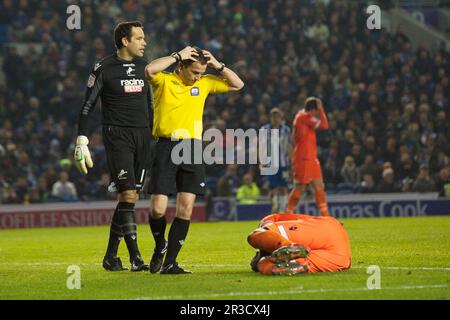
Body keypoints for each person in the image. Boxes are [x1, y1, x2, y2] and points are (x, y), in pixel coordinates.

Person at [145, 46, 244, 274]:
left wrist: (217, 65)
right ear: (181, 67)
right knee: (158, 209)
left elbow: (238, 84)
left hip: (192, 147)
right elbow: (149, 70)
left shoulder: (205, 82)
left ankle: (170, 263)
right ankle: (160, 245)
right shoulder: (164, 81)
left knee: (186, 208)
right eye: (194, 72)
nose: (198, 77)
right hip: (166, 145)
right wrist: (177, 55)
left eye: (201, 72)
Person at [74, 21, 153, 272]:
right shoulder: (103, 68)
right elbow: (87, 105)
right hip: (117, 135)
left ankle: (110, 256)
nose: (144, 42)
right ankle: (136, 258)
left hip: (143, 136)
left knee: (130, 199)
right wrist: (82, 138)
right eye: (139, 38)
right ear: (124, 41)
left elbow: (151, 105)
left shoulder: (145, 67)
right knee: (128, 195)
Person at [247, 213, 351, 275]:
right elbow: (276, 218)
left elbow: (269, 220)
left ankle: (286, 245)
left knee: (255, 236)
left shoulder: (268, 223)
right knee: (300, 263)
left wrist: (260, 260)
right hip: (341, 257)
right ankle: (287, 249)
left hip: (332, 244)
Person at [286, 97, 330, 216]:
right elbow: (324, 125)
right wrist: (322, 110)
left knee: (319, 186)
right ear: (314, 110)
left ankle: (326, 218)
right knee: (300, 187)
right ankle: (288, 212)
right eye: (317, 110)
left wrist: (319, 110)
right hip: (303, 157)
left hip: (311, 157)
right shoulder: (303, 117)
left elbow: (324, 126)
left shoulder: (304, 117)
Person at [260, 108, 292, 212]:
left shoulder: (286, 130)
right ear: (270, 118)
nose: (275, 119)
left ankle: (283, 209)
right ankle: (275, 205)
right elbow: (262, 147)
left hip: (283, 164)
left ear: (280, 118)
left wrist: (292, 161)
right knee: (272, 188)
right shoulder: (264, 130)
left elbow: (289, 146)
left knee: (283, 187)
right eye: (273, 116)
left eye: (277, 116)